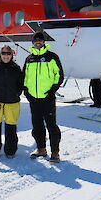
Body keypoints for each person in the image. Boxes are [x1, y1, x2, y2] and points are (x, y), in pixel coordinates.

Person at [23, 31, 64, 163]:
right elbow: (25, 77)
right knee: (37, 125)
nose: (38, 42)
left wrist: (52, 91)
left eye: (40, 40)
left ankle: (55, 152)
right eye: (35, 41)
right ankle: (41, 149)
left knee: (51, 125)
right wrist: (27, 92)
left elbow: (59, 75)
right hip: (34, 99)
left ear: (44, 42)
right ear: (33, 43)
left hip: (48, 98)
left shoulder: (52, 57)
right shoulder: (29, 59)